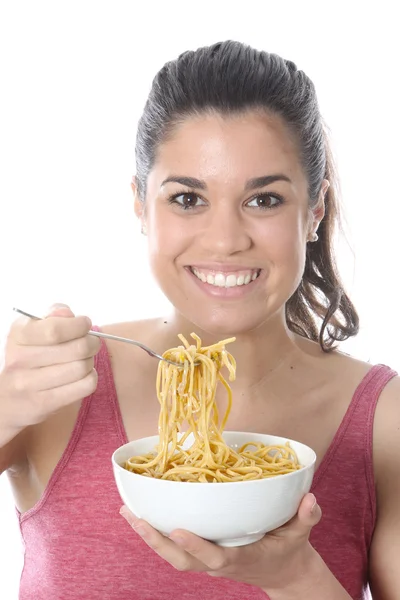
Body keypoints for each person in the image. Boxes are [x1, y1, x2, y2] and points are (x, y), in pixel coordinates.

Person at [0, 40, 399, 600]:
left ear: (315, 212)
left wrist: (296, 580)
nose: (225, 240)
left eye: (264, 201)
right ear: (141, 205)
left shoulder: (384, 419)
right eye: (187, 199)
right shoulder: (61, 387)